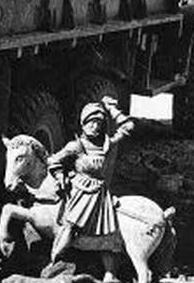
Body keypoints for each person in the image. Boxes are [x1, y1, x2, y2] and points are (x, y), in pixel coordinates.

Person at [46, 96, 134, 269]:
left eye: (98, 123)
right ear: (83, 124)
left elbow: (128, 127)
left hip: (101, 193)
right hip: (80, 191)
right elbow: (53, 161)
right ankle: (53, 261)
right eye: (90, 123)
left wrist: (111, 109)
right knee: (70, 228)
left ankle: (105, 270)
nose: (94, 127)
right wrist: (60, 176)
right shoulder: (76, 146)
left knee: (110, 234)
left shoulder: (107, 144)